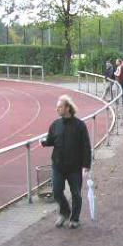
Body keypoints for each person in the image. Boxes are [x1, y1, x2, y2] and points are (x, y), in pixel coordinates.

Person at [40, 95, 91, 229]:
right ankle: (64, 212)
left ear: (68, 108)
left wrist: (86, 165)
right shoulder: (55, 124)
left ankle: (74, 218)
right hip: (58, 165)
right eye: (57, 107)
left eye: (60, 107)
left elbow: (86, 145)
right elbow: (51, 140)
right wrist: (44, 142)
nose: (57, 109)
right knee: (57, 191)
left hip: (74, 166)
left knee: (76, 194)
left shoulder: (80, 125)